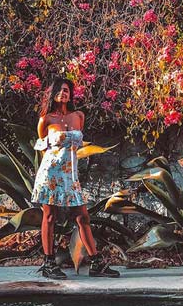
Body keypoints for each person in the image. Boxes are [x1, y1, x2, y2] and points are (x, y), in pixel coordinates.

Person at [32, 77, 119, 279]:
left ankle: (96, 263)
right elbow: (42, 149)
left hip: (71, 175)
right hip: (51, 174)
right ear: (53, 94)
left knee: (82, 216)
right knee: (50, 216)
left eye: (67, 90)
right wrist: (51, 173)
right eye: (60, 90)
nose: (64, 93)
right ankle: (49, 263)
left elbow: (76, 145)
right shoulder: (46, 120)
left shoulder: (78, 116)